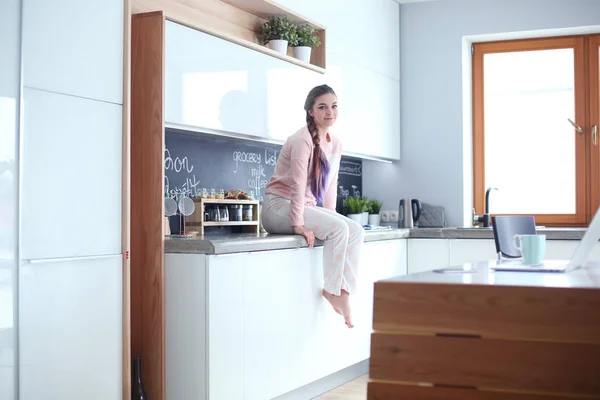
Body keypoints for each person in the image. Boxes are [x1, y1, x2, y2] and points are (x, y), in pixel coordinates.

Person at [261, 84, 364, 328]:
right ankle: (331, 290)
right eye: (323, 107)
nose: (330, 112)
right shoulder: (301, 140)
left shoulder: (335, 142)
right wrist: (297, 225)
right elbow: (297, 184)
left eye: (334, 106)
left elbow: (330, 185)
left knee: (356, 231)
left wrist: (330, 216)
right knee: (339, 229)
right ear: (311, 111)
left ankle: (343, 291)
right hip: (278, 208)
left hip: (303, 206)